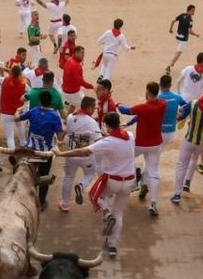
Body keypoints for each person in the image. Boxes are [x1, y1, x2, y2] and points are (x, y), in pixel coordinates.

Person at [55, 111, 135, 258]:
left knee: (94, 195)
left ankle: (106, 213)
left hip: (112, 180)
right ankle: (112, 245)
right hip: (129, 181)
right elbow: (116, 137)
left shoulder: (107, 143)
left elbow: (82, 151)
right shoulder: (130, 136)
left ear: (106, 125)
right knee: (119, 213)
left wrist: (61, 154)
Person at [118, 82, 166, 216]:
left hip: (140, 144)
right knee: (154, 173)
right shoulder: (163, 104)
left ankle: (134, 180)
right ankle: (154, 204)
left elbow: (125, 110)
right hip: (156, 144)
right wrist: (129, 123)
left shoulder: (143, 107)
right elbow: (140, 116)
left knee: (127, 158)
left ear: (148, 92)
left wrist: (117, 104)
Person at [16, 90, 64, 208]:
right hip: (44, 153)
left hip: (30, 151)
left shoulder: (33, 111)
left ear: (40, 101)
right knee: (44, 177)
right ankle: (41, 202)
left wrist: (17, 110)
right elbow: (60, 137)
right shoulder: (54, 116)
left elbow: (16, 118)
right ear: (51, 102)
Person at [58, 95, 102, 212]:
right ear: (88, 108)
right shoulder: (91, 122)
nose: (94, 110)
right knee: (91, 174)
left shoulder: (71, 117)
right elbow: (98, 141)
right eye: (93, 107)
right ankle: (82, 185)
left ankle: (65, 203)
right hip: (86, 156)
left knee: (68, 177)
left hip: (71, 154)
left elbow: (64, 132)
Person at [0, 65, 27, 149]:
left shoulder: (4, 80)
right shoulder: (23, 84)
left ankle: (12, 153)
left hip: (5, 113)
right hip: (18, 112)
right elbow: (30, 93)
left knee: (10, 137)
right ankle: (24, 145)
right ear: (20, 73)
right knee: (20, 127)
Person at [61, 45, 94, 109]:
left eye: (83, 53)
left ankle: (67, 117)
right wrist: (92, 87)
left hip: (65, 90)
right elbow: (80, 81)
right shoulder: (76, 65)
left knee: (73, 104)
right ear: (76, 53)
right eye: (82, 53)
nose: (83, 55)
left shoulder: (69, 60)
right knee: (88, 107)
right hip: (73, 93)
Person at [167, 5, 200, 70]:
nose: (193, 12)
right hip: (183, 39)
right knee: (178, 53)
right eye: (192, 11)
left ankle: (172, 62)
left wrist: (170, 29)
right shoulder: (190, 20)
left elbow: (173, 21)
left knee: (178, 51)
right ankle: (170, 65)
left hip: (177, 36)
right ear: (188, 10)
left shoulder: (182, 15)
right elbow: (190, 31)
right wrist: (196, 35)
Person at [157, 73, 185, 145]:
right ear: (170, 85)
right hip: (172, 133)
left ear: (160, 85)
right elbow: (187, 106)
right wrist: (181, 117)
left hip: (158, 133)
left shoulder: (156, 97)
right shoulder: (177, 96)